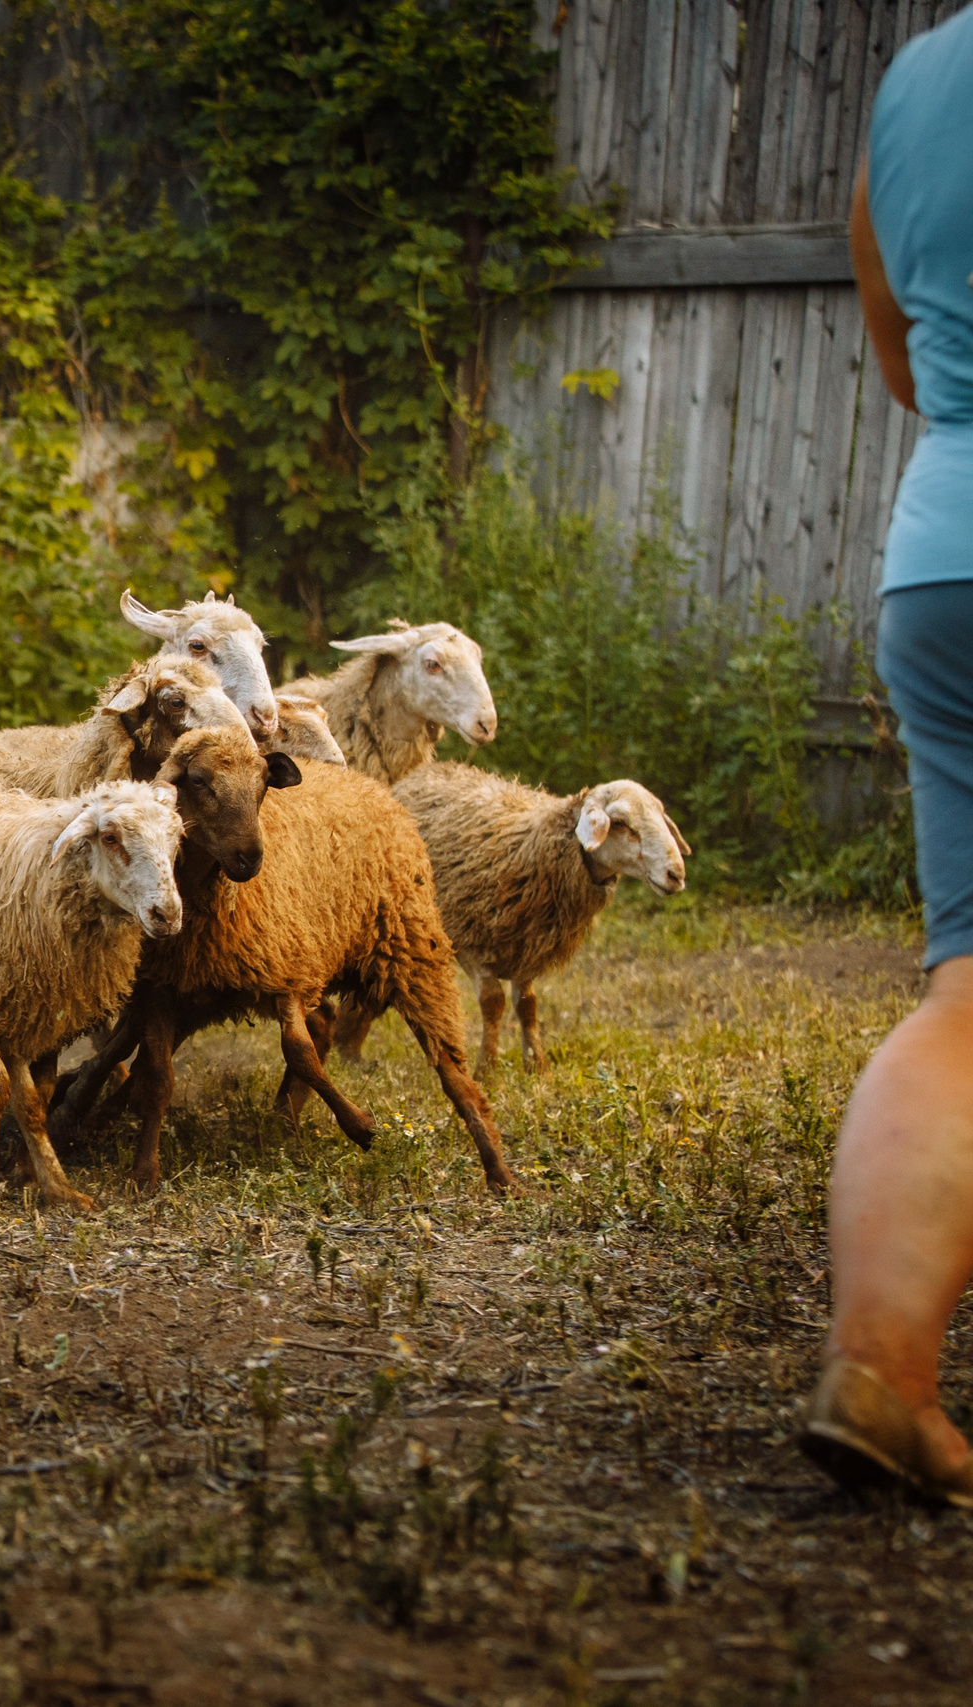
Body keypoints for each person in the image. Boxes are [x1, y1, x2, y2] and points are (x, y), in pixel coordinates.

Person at [802, 9, 973, 1505]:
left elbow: (905, 354)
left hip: (948, 556)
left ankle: (884, 1370)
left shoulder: (919, 79)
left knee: (969, 999)